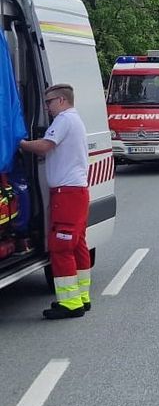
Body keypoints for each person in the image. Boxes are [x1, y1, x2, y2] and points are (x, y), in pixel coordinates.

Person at [18, 83, 91, 319]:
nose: (47, 107)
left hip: (66, 193)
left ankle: (70, 304)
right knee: (78, 244)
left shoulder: (63, 120)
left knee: (61, 246)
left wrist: (19, 144)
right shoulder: (74, 119)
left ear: (61, 100)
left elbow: (45, 147)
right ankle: (82, 296)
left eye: (49, 102)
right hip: (76, 192)